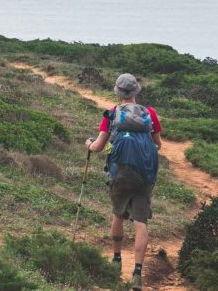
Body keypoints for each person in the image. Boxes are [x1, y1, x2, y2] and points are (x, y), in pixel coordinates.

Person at [85, 73, 162, 290]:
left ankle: (116, 261)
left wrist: (89, 144)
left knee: (118, 213)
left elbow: (99, 146)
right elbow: (158, 144)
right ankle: (137, 273)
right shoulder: (150, 113)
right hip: (145, 174)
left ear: (118, 91)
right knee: (141, 221)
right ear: (136, 90)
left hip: (120, 173)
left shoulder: (111, 114)